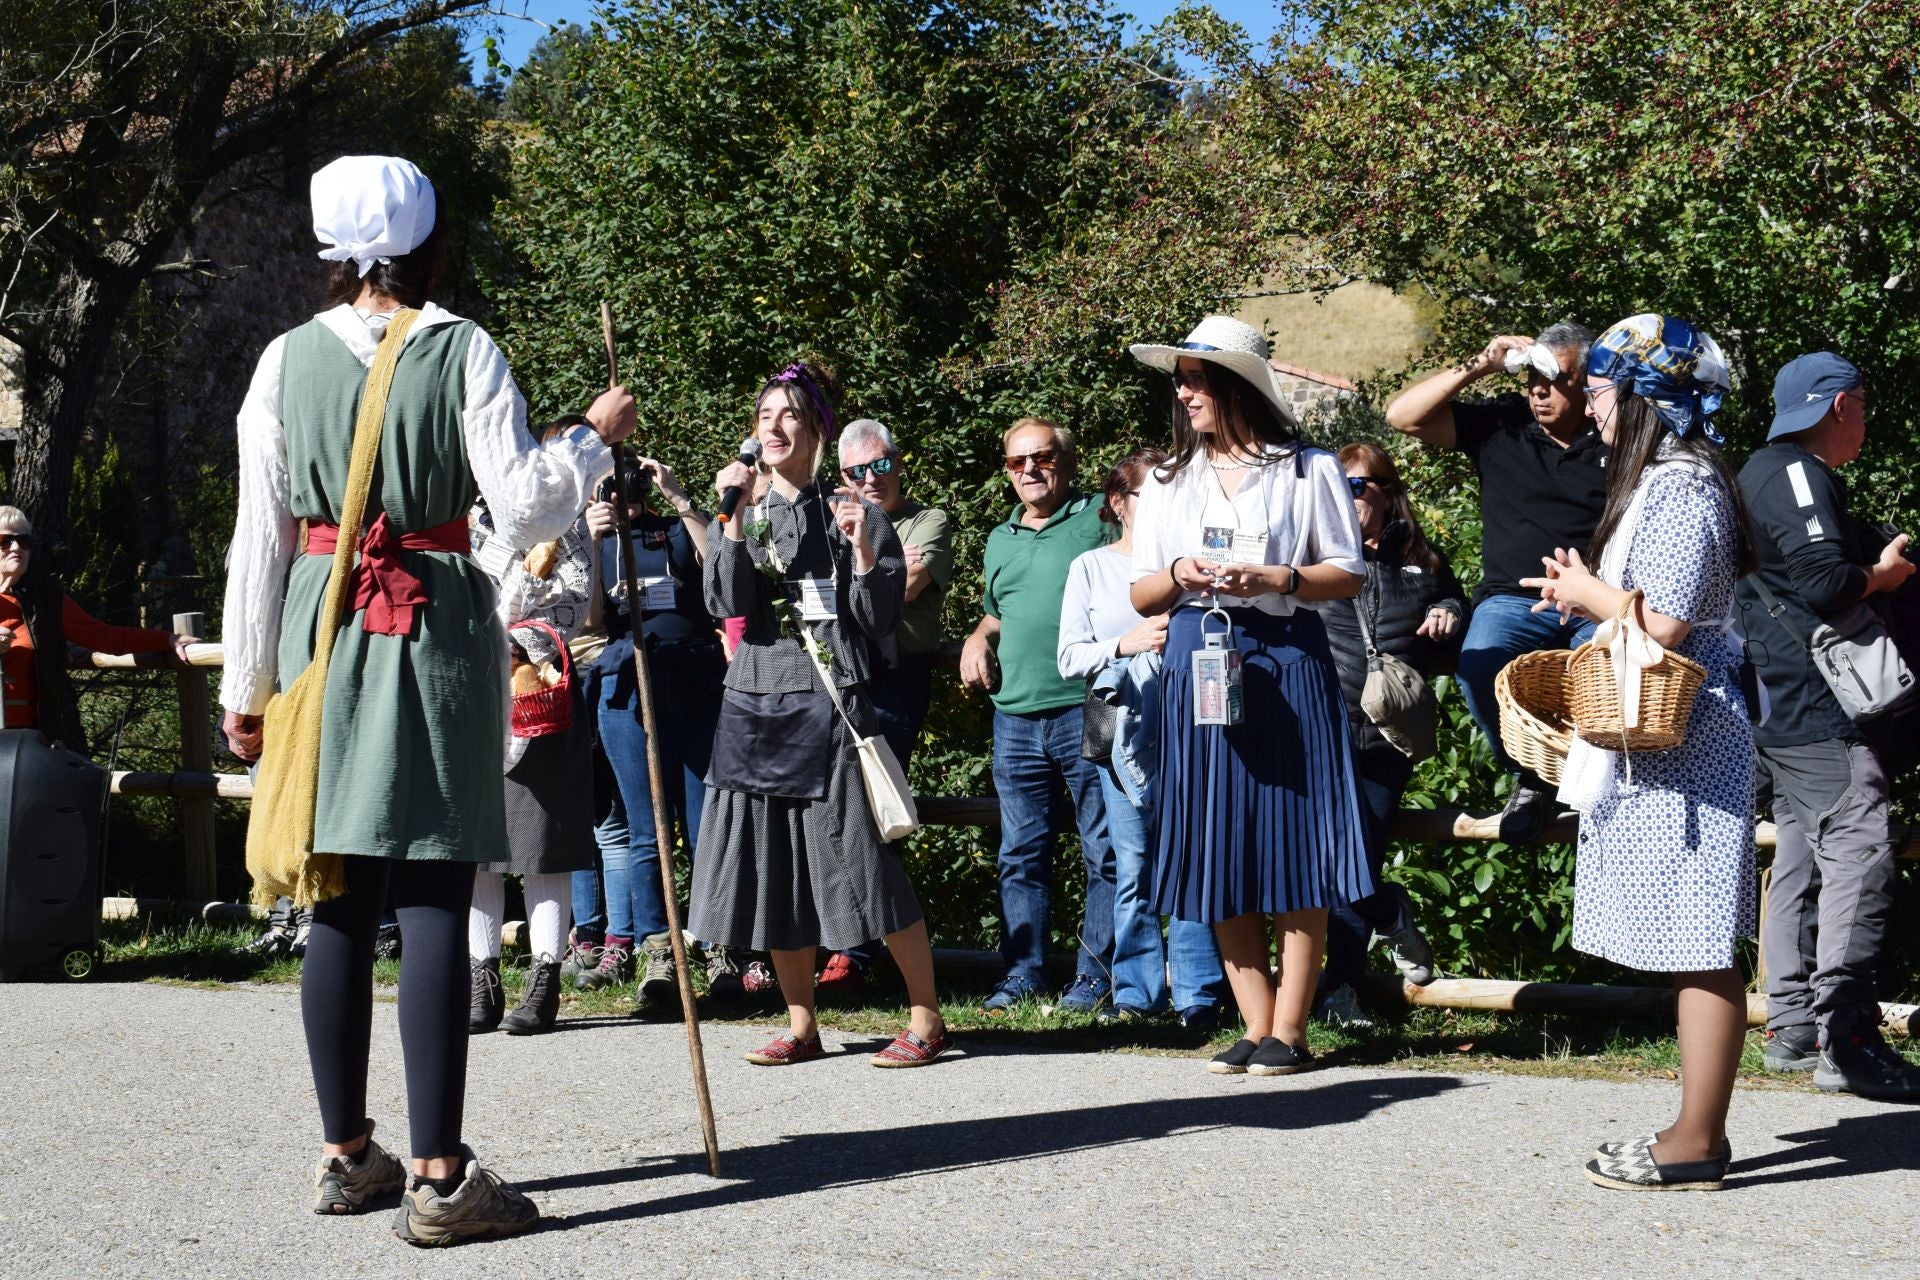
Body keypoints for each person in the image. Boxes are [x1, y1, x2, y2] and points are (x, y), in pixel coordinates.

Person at [218, 155, 633, 1243]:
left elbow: (258, 533)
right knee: (437, 889)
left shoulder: (279, 360)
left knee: (340, 895)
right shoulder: (463, 348)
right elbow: (530, 501)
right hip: (434, 621)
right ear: (427, 239)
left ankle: (348, 1154)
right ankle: (442, 1178)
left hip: (320, 618)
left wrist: (243, 682)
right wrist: (590, 437)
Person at [1522, 313, 1756, 1192]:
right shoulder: (1666, 478)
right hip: (1676, 733)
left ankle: (1697, 1140)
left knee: (1701, 941)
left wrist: (1587, 591)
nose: (1592, 401)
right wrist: (1581, 595)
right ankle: (1693, 1128)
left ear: (1649, 396)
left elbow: (1666, 621)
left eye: (1604, 385)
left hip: (1693, 733)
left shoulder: (1685, 483)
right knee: (1695, 939)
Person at [1126, 315, 1372, 1076]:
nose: (1184, 391)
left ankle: (1292, 1029)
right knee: (1215, 841)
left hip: (1286, 659)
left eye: (1197, 378)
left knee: (1294, 845)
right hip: (1199, 656)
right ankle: (1256, 1022)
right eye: (1182, 378)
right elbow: (1141, 593)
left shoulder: (1306, 468)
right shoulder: (1169, 479)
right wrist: (1182, 576)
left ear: (1236, 386)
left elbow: (1348, 571)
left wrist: (1276, 579)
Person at [688, 358, 948, 1067]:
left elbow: (877, 616)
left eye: (789, 417)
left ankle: (926, 1017)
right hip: (753, 700)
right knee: (773, 868)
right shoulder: (743, 507)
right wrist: (731, 518)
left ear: (817, 434)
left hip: (830, 700)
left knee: (863, 861)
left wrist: (864, 552)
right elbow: (725, 602)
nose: (773, 427)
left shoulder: (851, 511)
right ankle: (801, 1023)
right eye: (765, 416)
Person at [1735, 352, 1920, 1099]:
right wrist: (1884, 576)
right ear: (1838, 405)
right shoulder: (1793, 472)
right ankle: (1846, 1040)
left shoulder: (1761, 474)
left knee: (1806, 853)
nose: (1867, 421)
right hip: (1817, 705)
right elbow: (1823, 580)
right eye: (1864, 406)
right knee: (1861, 852)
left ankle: (1794, 1027)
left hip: (1778, 703)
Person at [1386, 321, 1605, 841]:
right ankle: (1531, 776)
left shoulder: (1615, 435)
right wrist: (1481, 365)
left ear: (1586, 381)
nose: (1537, 389)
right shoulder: (1502, 425)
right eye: (1531, 376)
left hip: (1593, 599)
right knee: (1480, 662)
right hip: (1513, 599)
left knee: (1610, 677)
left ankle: (1600, 784)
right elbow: (1401, 416)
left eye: (1554, 378)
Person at [1056, 448, 1228, 1026]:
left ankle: (1198, 997)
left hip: (1192, 730)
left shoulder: (1196, 567)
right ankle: (1135, 995)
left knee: (1192, 861)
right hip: (1120, 733)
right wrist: (1125, 645)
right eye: (1148, 496)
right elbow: (1068, 657)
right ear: (1118, 503)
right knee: (1133, 868)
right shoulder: (1090, 567)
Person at [960, 417, 1118, 1015]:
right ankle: (1023, 973)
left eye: (1042, 457)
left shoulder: (1099, 518)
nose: (1030, 469)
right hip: (1015, 718)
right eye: (1017, 461)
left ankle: (1094, 977)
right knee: (1021, 852)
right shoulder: (1000, 538)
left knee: (1102, 849)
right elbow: (997, 613)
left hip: (1088, 708)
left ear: (1065, 461)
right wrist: (977, 638)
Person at [574, 455, 738, 1012]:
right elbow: (592, 619)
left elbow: (717, 561)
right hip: (627, 686)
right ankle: (659, 954)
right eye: (612, 487)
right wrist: (594, 544)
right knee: (646, 832)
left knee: (703, 827)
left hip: (693, 681)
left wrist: (678, 496)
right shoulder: (600, 540)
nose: (625, 495)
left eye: (632, 483)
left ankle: (717, 949)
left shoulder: (673, 528)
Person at [1315, 443, 1462, 1024]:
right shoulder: (1317, 554)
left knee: (1354, 861)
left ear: (1385, 493)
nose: (1346, 498)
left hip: (1385, 739)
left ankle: (1341, 990)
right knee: (1331, 865)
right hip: (1320, 731)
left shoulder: (1421, 560)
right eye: (1337, 487)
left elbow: (1459, 610)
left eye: (1357, 486)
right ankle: (1390, 914)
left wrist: (1452, 609)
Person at [816, 418, 955, 1000]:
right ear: (842, 475)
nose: (871, 480)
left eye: (880, 465)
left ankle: (858, 952)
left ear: (898, 462)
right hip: (838, 679)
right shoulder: (829, 521)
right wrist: (875, 565)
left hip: (897, 679)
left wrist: (863, 565)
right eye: (856, 471)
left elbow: (898, 592)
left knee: (875, 810)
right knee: (828, 809)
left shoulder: (930, 521)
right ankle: (840, 942)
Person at [466, 493, 600, 1037]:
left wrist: (513, 626)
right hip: (474, 692)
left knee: (543, 846)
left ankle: (544, 981)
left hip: (540, 698)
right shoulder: (471, 519)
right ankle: (483, 978)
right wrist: (515, 598)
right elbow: (466, 600)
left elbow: (574, 604)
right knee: (478, 850)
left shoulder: (567, 525)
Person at [0, 506, 194, 729]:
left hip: (31, 737)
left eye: (24, 541)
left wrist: (168, 640)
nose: (16, 547)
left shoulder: (46, 600)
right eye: (5, 541)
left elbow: (104, 637)